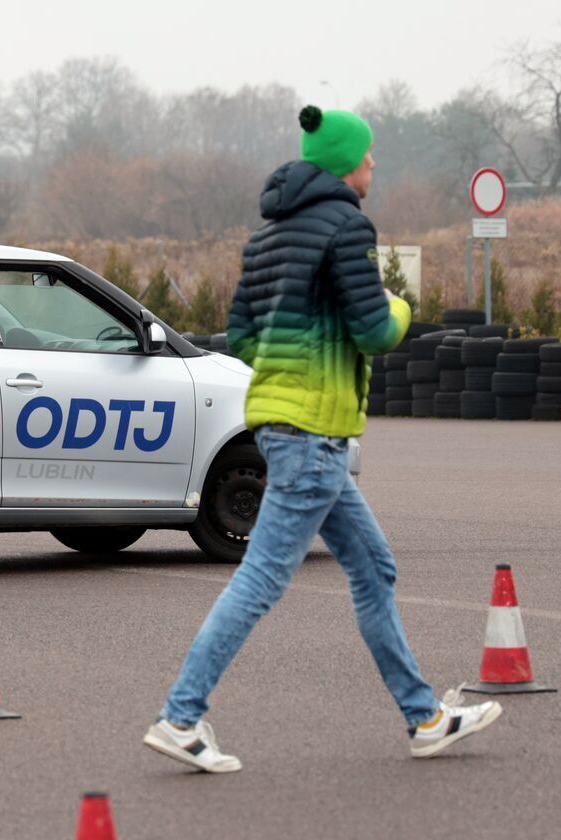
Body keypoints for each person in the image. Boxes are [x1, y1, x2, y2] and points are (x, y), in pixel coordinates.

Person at [142, 106, 502, 774]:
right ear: (344, 162)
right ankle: (180, 715)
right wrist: (399, 306)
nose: (374, 165)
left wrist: (306, 337)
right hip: (314, 437)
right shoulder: (348, 226)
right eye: (369, 156)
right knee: (260, 580)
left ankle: (424, 718)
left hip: (291, 427)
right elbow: (374, 329)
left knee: (374, 569)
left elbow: (244, 336)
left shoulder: (266, 237)